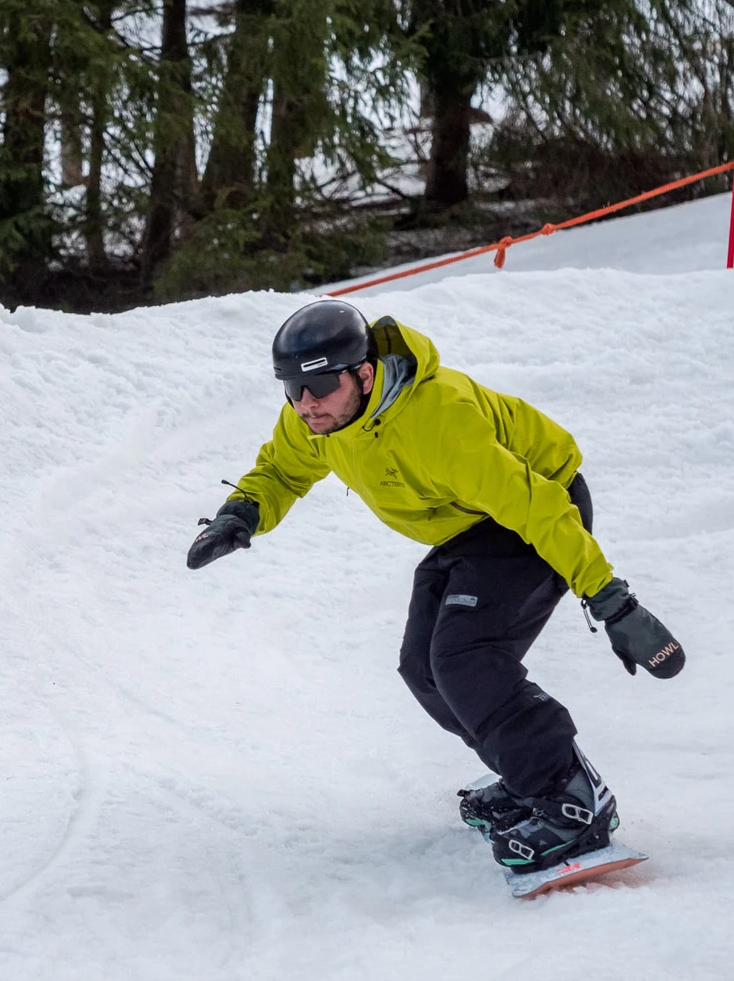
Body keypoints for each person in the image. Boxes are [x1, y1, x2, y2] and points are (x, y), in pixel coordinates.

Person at [187, 300, 684, 874]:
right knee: (422, 665)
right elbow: (281, 468)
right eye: (293, 388)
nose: (305, 403)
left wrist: (611, 599)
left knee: (465, 657)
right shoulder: (318, 420)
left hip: (538, 510)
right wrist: (240, 514)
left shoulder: (438, 418)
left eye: (319, 384)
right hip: (469, 524)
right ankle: (528, 777)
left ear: (364, 374)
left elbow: (536, 507)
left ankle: (572, 798)